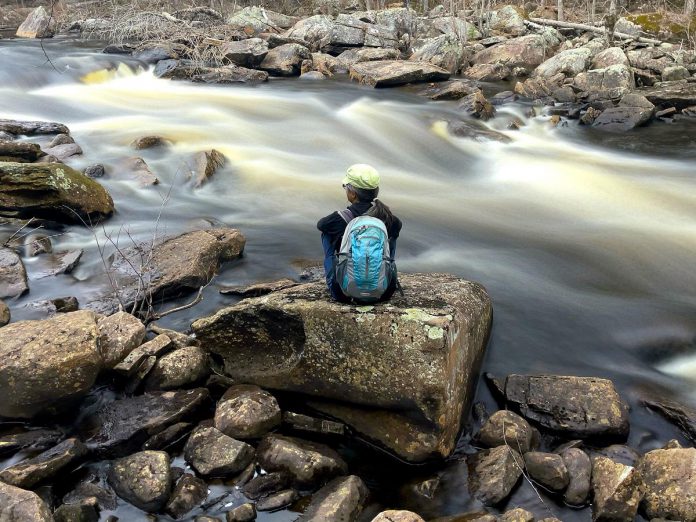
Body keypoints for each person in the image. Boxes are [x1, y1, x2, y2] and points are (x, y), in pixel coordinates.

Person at [317, 164, 402, 302]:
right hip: (383, 293)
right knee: (390, 234)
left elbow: (321, 225)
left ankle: (334, 279)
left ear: (352, 193)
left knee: (326, 234)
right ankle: (388, 273)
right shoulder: (389, 218)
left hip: (343, 294)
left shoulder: (340, 218)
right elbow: (398, 226)